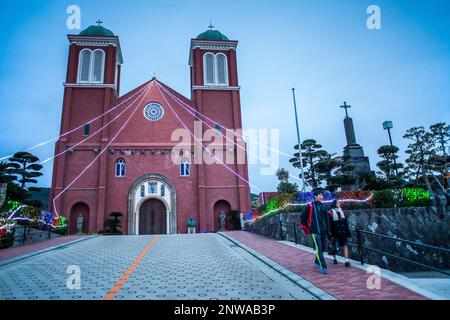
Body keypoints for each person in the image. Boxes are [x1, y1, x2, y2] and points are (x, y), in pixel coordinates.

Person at [301, 188, 332, 274]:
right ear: (315, 196)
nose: (322, 196)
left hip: (323, 231)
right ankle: (323, 267)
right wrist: (308, 227)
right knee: (319, 249)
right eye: (320, 195)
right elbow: (302, 217)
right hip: (314, 231)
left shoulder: (324, 206)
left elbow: (327, 220)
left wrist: (328, 231)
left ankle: (317, 261)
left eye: (322, 195)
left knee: (322, 249)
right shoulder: (310, 206)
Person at [329, 200, 351, 267]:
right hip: (335, 233)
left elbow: (345, 223)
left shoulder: (342, 211)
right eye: (338, 202)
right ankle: (335, 258)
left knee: (345, 245)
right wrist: (331, 234)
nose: (339, 203)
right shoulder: (331, 213)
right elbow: (330, 224)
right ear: (335, 204)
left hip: (343, 232)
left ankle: (346, 260)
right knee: (335, 247)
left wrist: (348, 232)